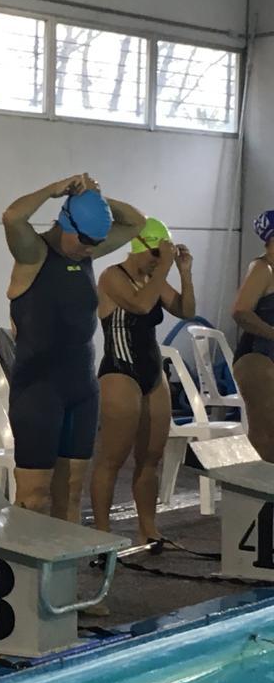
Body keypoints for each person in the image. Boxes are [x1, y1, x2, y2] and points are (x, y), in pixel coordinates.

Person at [2, 174, 146, 521]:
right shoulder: (34, 254)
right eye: (85, 240)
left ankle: (66, 560)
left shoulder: (84, 252)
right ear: (65, 222)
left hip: (82, 389)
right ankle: (26, 558)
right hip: (39, 390)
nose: (89, 249)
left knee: (71, 494)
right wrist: (55, 190)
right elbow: (12, 217)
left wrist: (98, 197)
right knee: (34, 497)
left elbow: (136, 222)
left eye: (96, 243)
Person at [90, 218, 195, 542]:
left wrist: (184, 272)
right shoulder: (112, 277)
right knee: (112, 459)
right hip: (120, 372)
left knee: (151, 458)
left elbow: (187, 311)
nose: (159, 261)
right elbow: (140, 304)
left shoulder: (154, 277)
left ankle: (149, 529)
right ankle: (102, 534)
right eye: (156, 253)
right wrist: (164, 269)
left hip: (152, 372)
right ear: (140, 246)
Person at [232, 210, 274, 461]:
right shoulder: (262, 268)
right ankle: (258, 484)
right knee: (265, 433)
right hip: (257, 359)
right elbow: (240, 312)